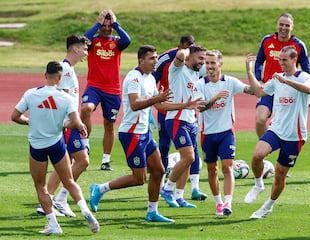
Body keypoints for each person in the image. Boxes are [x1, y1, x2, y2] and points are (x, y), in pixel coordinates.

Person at [88, 45, 202, 222]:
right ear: (141, 60)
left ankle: (152, 212)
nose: (156, 61)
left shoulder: (150, 79)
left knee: (159, 170)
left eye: (156, 58)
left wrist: (184, 105)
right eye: (152, 58)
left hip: (145, 133)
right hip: (131, 133)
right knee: (139, 178)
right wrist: (157, 98)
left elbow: (160, 105)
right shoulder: (134, 78)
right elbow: (135, 104)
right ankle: (100, 189)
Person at [11, 61, 99, 235]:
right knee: (69, 181)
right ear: (60, 77)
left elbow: (15, 116)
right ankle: (85, 210)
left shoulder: (31, 94)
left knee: (40, 186)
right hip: (57, 144)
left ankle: (53, 224)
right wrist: (73, 125)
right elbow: (75, 122)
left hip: (37, 145)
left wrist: (29, 121)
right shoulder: (66, 98)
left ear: (45, 75)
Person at [244, 46, 310, 219]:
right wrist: (249, 71)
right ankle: (258, 184)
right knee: (257, 155)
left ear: (294, 60)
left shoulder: (304, 77)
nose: (281, 63)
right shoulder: (277, 79)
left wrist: (287, 82)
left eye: (284, 60)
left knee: (280, 174)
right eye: (279, 60)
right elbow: (260, 92)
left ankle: (268, 206)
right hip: (276, 129)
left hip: (295, 136)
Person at [35, 35, 90, 217]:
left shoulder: (68, 68)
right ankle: (55, 200)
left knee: (67, 164)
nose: (86, 52)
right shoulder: (65, 69)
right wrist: (74, 122)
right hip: (68, 125)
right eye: (84, 49)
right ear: (75, 49)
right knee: (81, 161)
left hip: (69, 123)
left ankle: (52, 200)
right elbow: (63, 100)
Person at [193, 49, 253, 216]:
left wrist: (249, 71)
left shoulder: (230, 82)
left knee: (227, 167)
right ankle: (218, 202)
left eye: (213, 62)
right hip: (207, 133)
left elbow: (252, 90)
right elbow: (200, 107)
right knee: (212, 170)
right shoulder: (200, 84)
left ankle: (228, 202)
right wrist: (216, 98)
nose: (210, 66)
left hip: (226, 132)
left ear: (220, 63)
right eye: (207, 63)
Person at [153, 35, 208, 201]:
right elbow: (179, 56)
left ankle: (179, 196)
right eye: (200, 58)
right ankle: (167, 188)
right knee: (189, 156)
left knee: (189, 160)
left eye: (204, 59)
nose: (202, 62)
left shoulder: (195, 74)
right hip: (176, 119)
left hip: (190, 119)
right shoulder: (177, 69)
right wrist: (187, 49)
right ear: (189, 56)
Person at [81, 9, 131, 171]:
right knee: (86, 109)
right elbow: (82, 40)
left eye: (109, 26)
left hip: (113, 90)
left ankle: (105, 160)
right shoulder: (93, 42)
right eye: (104, 25)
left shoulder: (117, 42)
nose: (106, 28)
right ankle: (85, 144)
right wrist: (97, 23)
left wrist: (116, 24)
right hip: (94, 87)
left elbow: (128, 40)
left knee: (109, 125)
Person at [254, 12, 310, 139]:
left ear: (292, 27)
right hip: (270, 88)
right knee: (260, 120)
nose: (283, 28)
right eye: (281, 24)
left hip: (289, 90)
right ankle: (266, 147)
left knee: (285, 124)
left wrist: (306, 92)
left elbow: (307, 70)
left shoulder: (299, 45)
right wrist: (259, 80)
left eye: (287, 25)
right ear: (277, 25)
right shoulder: (267, 40)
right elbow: (259, 61)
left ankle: (279, 145)